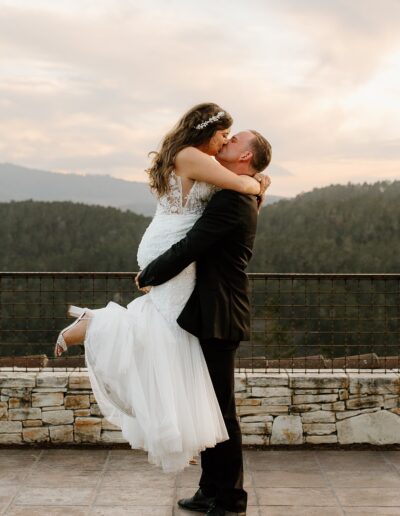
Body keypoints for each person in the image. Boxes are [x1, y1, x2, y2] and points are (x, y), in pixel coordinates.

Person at [54, 102, 270, 474]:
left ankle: (178, 428)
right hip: (171, 249)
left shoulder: (192, 155)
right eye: (223, 134)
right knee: (169, 332)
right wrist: (259, 183)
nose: (224, 141)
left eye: (231, 138)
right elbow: (241, 184)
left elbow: (236, 197)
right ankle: (98, 325)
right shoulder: (193, 156)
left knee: (169, 330)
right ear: (208, 130)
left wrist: (257, 184)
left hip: (170, 247)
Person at [136, 128, 272, 515]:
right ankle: (209, 490)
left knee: (221, 410)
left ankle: (230, 500)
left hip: (221, 311)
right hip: (210, 309)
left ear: (245, 157)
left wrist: (150, 274)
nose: (224, 144)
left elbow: (193, 244)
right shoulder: (233, 191)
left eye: (233, 142)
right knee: (208, 405)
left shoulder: (233, 201)